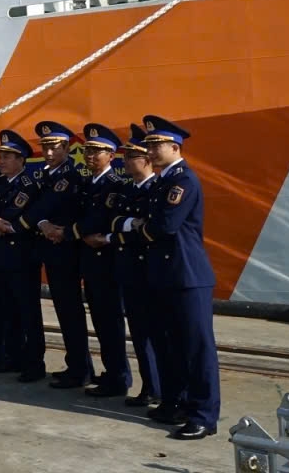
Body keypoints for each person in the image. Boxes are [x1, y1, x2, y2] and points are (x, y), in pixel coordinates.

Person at [126, 115, 220, 440]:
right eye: (148, 144)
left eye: (156, 144)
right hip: (165, 275)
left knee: (197, 348)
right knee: (170, 345)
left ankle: (204, 416)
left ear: (174, 147)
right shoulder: (162, 183)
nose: (150, 150)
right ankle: (175, 402)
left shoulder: (183, 181)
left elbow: (163, 226)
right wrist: (141, 227)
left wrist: (139, 228)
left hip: (187, 276)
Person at [25, 120, 92, 388]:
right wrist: (42, 224)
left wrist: (43, 222)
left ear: (65, 147)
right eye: (45, 147)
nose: (48, 153)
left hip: (66, 252)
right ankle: (75, 364)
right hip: (50, 248)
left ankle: (80, 369)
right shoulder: (46, 176)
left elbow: (44, 206)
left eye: (54, 147)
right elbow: (33, 210)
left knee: (70, 310)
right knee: (64, 311)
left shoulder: (69, 177)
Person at [0, 130, 45, 382]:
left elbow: (12, 212)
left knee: (27, 311)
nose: (2, 160)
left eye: (8, 156)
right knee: (6, 308)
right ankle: (12, 355)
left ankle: (33, 362)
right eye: (1, 155)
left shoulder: (27, 185)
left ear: (21, 160)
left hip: (20, 257)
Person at [74, 124, 132, 398]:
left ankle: (120, 377)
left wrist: (76, 231)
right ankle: (110, 373)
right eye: (88, 150)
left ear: (111, 155)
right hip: (90, 263)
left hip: (107, 263)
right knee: (100, 321)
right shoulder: (87, 184)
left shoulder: (116, 186)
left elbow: (101, 221)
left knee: (111, 324)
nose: (90, 156)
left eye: (98, 151)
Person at [111, 125, 161, 408]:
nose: (126, 160)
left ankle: (160, 387)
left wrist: (125, 226)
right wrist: (130, 225)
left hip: (149, 271)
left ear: (146, 159)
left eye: (131, 155)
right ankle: (150, 386)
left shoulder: (156, 189)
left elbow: (151, 227)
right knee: (140, 333)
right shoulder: (126, 189)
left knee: (156, 333)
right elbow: (115, 221)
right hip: (129, 269)